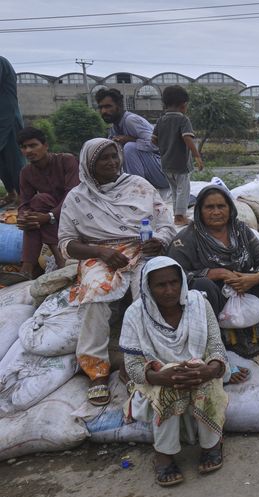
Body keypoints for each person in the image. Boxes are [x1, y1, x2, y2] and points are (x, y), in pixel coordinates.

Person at [59, 138, 175, 405]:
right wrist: (101, 253)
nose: (112, 162)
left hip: (142, 249)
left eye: (115, 156)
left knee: (150, 290)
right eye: (104, 158)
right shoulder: (77, 197)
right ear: (89, 164)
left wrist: (160, 240)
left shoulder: (139, 186)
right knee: (96, 293)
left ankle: (145, 361)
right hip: (99, 254)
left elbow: (165, 221)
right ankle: (96, 370)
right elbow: (67, 244)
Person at [167, 186, 259, 371]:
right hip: (214, 292)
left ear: (230, 208)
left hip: (244, 284)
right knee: (203, 287)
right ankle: (217, 356)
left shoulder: (240, 230)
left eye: (221, 206)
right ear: (199, 211)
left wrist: (254, 278)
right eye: (209, 207)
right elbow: (173, 274)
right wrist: (213, 273)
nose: (216, 212)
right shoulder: (186, 238)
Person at [121, 257, 228, 486]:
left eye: (174, 282)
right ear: (148, 287)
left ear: (182, 282)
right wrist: (160, 376)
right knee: (169, 383)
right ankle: (164, 455)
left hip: (200, 372)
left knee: (201, 375)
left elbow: (216, 347)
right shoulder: (135, 313)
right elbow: (133, 366)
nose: (169, 290)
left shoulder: (199, 303)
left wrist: (210, 370)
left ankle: (212, 444)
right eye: (161, 285)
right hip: (157, 378)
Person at [15, 127, 78, 278]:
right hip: (48, 213)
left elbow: (73, 195)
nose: (28, 150)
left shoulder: (66, 160)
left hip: (76, 209)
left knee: (40, 201)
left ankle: (30, 266)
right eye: (24, 147)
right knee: (36, 206)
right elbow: (24, 203)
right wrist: (23, 217)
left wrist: (49, 216)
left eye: (33, 145)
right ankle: (29, 268)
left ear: (45, 145)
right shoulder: (26, 172)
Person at [95, 87, 170, 194]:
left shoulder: (130, 120)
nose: (104, 111)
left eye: (108, 106)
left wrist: (130, 139)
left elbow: (157, 144)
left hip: (165, 171)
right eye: (101, 107)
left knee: (130, 147)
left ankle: (138, 192)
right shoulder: (114, 127)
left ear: (119, 106)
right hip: (153, 176)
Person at [151, 85, 204, 226]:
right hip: (180, 163)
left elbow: (153, 140)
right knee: (183, 190)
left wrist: (165, 148)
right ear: (183, 104)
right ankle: (180, 217)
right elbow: (187, 138)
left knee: (174, 190)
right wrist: (197, 156)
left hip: (166, 163)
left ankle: (177, 215)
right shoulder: (183, 119)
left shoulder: (160, 120)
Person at [0, 56, 24, 207]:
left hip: (8, 118)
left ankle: (24, 195)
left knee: (14, 159)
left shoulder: (1, 62)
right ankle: (11, 192)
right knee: (1, 162)